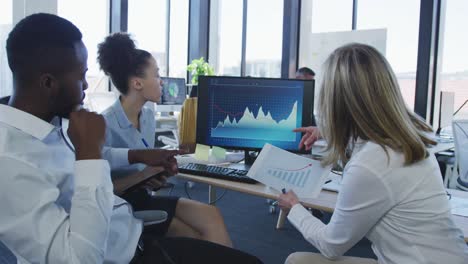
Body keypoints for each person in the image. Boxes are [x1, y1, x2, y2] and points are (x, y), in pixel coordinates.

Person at [0, 13, 262, 264]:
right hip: (124, 254)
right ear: (48, 83)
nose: (87, 86)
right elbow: (78, 259)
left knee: (213, 241)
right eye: (81, 77)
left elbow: (95, 163)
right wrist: (90, 153)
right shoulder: (10, 161)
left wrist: (136, 155)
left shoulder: (50, 122)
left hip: (126, 231)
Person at [279, 43, 468, 264]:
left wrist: (294, 208)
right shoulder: (405, 137)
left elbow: (331, 245)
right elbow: (367, 143)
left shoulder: (371, 163)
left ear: (336, 100)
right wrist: (327, 133)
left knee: (296, 261)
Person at [97, 32, 232, 247]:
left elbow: (145, 171)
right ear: (138, 83)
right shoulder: (103, 125)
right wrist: (143, 175)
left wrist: (156, 176)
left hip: (143, 197)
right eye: (157, 74)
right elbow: (98, 192)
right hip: (120, 208)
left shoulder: (148, 116)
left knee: (212, 215)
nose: (161, 81)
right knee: (197, 239)